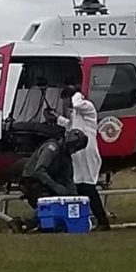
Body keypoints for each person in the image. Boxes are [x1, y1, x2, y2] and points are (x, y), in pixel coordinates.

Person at [46, 85, 111, 230]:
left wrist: (76, 94)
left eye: (66, 100)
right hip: (78, 155)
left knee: (88, 187)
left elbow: (77, 104)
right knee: (79, 187)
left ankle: (103, 221)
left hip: (87, 153)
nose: (66, 104)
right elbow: (70, 127)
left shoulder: (87, 107)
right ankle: (82, 220)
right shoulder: (76, 114)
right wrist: (57, 119)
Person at [9, 129, 89, 233]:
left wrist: (74, 197)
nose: (74, 151)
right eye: (75, 148)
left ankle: (47, 225)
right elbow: (39, 171)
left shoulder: (65, 156)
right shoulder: (51, 148)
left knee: (60, 201)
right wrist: (55, 186)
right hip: (31, 181)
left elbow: (68, 178)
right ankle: (21, 222)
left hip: (46, 182)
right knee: (50, 203)